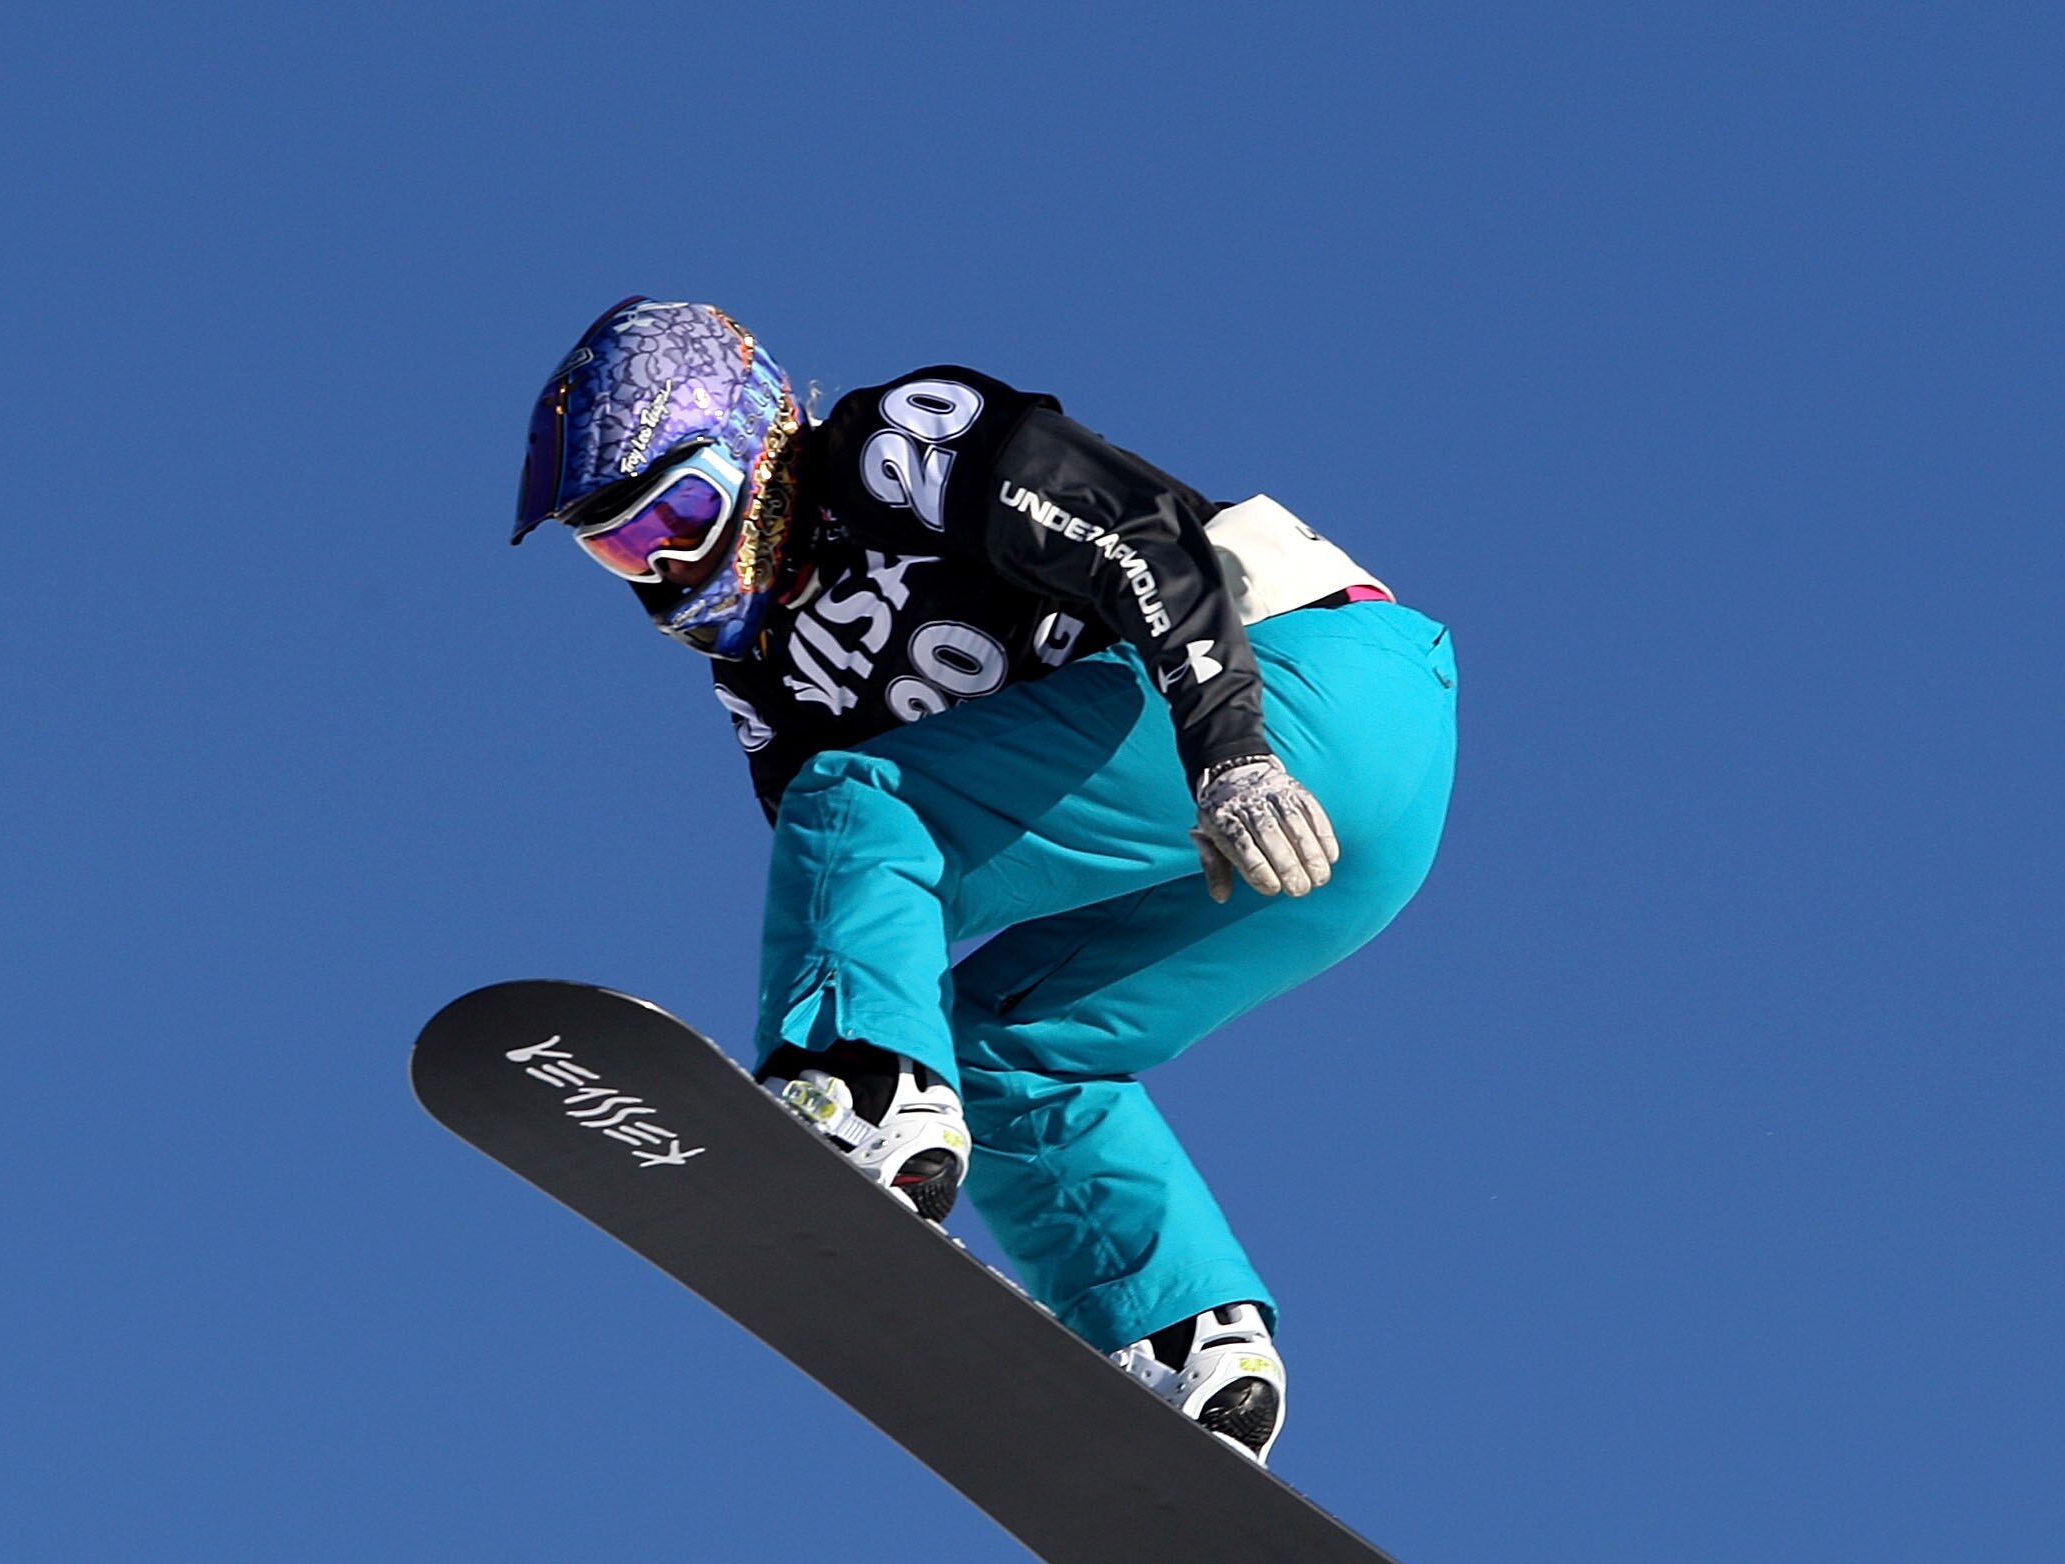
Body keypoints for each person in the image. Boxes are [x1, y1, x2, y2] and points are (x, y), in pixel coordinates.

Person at [511, 297, 1458, 1466]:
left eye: (680, 511)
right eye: (617, 547)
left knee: (861, 802)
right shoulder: (767, 680)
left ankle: (861, 1095)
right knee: (997, 1042)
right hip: (1336, 836)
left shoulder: (891, 450)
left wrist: (1232, 750)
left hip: (1307, 683)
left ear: (757, 439)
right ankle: (1182, 1335)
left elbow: (1141, 537)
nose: (660, 565)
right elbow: (867, 913)